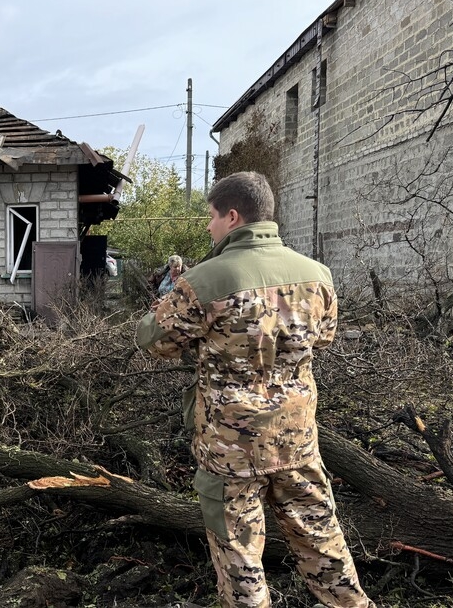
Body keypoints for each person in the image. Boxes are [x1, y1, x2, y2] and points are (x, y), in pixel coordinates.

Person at [136, 172, 374, 608]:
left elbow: (154, 342)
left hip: (231, 449)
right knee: (322, 541)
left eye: (211, 217)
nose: (208, 227)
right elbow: (323, 338)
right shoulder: (318, 275)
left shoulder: (205, 280)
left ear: (232, 215)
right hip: (296, 438)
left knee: (240, 558)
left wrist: (163, 310)